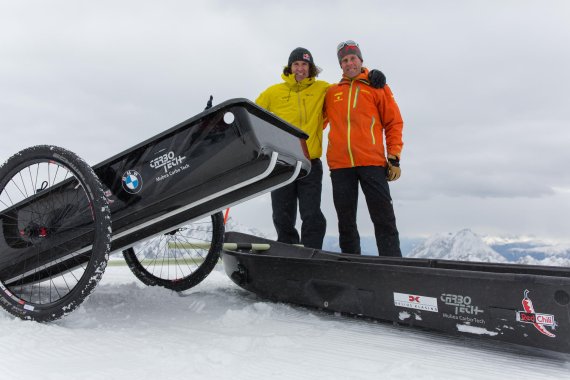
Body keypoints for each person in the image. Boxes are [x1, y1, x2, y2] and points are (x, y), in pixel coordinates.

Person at [256, 47, 386, 249]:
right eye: (296, 64)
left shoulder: (323, 89)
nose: (300, 69)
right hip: (281, 163)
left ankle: (311, 253)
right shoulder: (272, 93)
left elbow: (348, 85)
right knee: (282, 214)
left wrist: (371, 75)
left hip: (309, 162)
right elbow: (254, 116)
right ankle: (286, 252)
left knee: (311, 214)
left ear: (311, 68)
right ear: (290, 67)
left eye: (304, 65)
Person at [323, 40, 404, 257]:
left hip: (372, 163)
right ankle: (352, 265)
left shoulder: (377, 87)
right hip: (340, 166)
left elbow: (393, 122)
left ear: (361, 60)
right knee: (346, 221)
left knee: (384, 217)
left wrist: (394, 157)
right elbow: (316, 122)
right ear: (341, 65)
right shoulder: (332, 93)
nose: (349, 63)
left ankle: (393, 266)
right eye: (345, 60)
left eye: (353, 58)